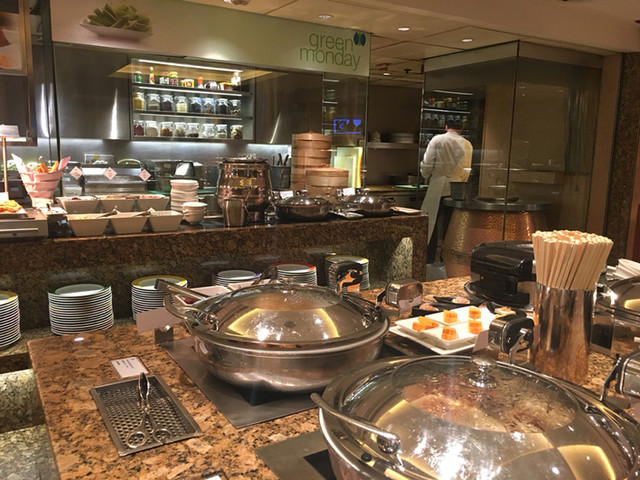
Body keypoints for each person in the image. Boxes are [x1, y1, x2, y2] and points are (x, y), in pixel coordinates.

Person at [420, 118, 472, 262]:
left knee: (430, 224)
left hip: (437, 185)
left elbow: (427, 163)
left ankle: (429, 258)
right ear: (461, 129)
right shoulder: (467, 144)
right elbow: (466, 170)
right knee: (451, 227)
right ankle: (447, 259)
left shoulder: (437, 140)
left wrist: (425, 174)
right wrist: (460, 181)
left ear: (446, 126)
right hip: (456, 189)